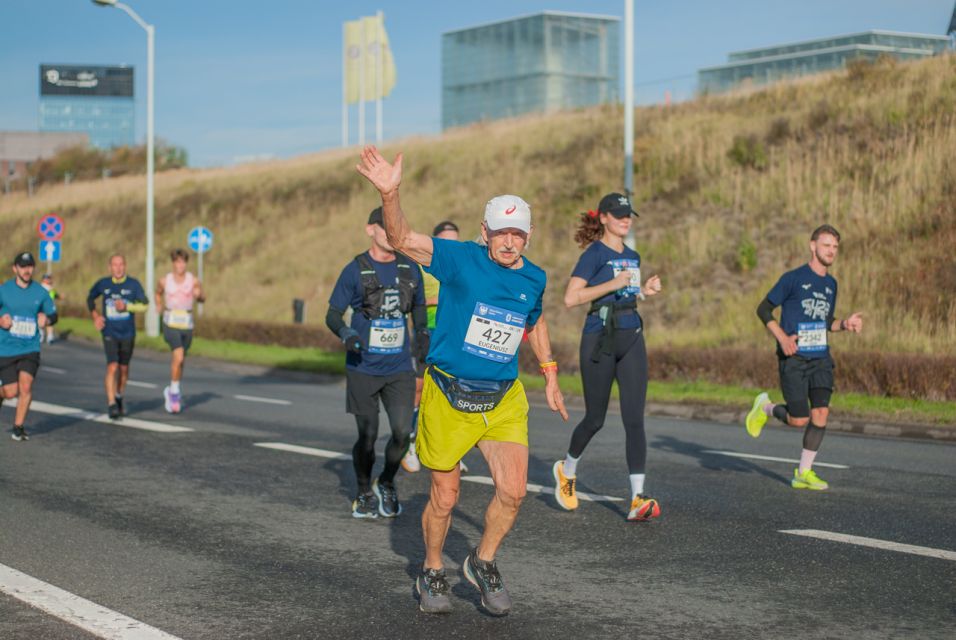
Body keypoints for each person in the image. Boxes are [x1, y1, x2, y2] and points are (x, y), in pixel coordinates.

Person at [356, 145, 568, 616]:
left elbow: (533, 321)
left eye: (518, 234)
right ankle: (432, 568)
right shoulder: (458, 260)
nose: (509, 243)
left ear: (529, 237)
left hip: (503, 400)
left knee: (513, 492)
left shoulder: (533, 278)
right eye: (501, 233)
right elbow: (402, 237)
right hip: (450, 394)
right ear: (484, 232)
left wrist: (550, 373)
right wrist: (391, 194)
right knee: (445, 497)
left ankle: (482, 561)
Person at [552, 193, 664, 521]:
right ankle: (567, 470)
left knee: (634, 419)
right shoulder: (594, 254)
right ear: (603, 218)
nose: (625, 219)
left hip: (632, 337)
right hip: (598, 339)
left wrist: (646, 292)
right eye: (618, 215)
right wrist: (612, 282)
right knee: (595, 419)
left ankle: (637, 498)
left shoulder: (634, 256)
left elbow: (626, 295)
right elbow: (571, 298)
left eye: (628, 214)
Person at [326, 207, 426, 519]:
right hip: (363, 368)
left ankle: (386, 482)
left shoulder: (411, 268)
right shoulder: (355, 270)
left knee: (400, 434)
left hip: (399, 369)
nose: (390, 233)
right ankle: (363, 490)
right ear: (371, 230)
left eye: (396, 227)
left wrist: (422, 338)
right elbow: (332, 314)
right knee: (367, 436)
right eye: (384, 228)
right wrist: (347, 333)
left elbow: (419, 309)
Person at [745, 224, 863, 490]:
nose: (831, 251)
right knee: (799, 419)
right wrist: (783, 338)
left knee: (821, 413)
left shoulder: (832, 284)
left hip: (820, 357)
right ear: (813, 246)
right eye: (826, 245)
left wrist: (844, 324)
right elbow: (763, 309)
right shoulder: (793, 278)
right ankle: (765, 407)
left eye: (835, 247)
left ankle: (803, 473)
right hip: (794, 358)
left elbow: (825, 320)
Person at [402, 220, 461, 474]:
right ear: (435, 243)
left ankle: (447, 450)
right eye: (446, 241)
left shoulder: (462, 268)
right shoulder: (422, 266)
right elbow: (411, 302)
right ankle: (409, 444)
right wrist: (440, 299)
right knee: (419, 389)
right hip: (428, 333)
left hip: (454, 335)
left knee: (452, 391)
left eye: (455, 241)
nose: (452, 246)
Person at [0, 252, 57, 441]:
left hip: (30, 348)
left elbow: (54, 315)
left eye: (30, 266)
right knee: (11, 391)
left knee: (26, 386)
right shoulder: (4, 290)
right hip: (6, 348)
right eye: (23, 266)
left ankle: (18, 427)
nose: (27, 270)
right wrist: (1, 320)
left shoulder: (40, 292)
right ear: (15, 268)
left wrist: (46, 318)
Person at [87, 254, 149, 419]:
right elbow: (90, 298)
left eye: (121, 264)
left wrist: (127, 306)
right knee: (112, 366)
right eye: (115, 265)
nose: (118, 268)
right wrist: (96, 316)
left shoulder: (133, 284)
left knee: (123, 369)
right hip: (110, 332)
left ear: (125, 266)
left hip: (127, 333)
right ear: (110, 267)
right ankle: (111, 403)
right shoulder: (104, 284)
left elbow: (145, 305)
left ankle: (119, 395)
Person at [155, 249, 204, 414]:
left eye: (183, 262)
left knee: (181, 361)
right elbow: (158, 293)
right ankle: (174, 392)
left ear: (186, 263)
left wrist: (199, 295)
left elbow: (202, 297)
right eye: (177, 262)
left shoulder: (193, 280)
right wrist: (158, 304)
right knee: (179, 355)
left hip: (187, 323)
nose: (180, 265)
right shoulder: (164, 280)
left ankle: (172, 389)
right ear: (173, 263)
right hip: (170, 323)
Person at [39, 274, 60, 343]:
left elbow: (53, 296)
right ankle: (41, 335)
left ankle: (49, 336)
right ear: (43, 279)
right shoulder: (40, 287)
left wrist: (58, 296)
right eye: (47, 278)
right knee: (42, 321)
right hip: (42, 306)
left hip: (50, 307)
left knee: (50, 322)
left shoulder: (51, 288)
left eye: (49, 278)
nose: (48, 280)